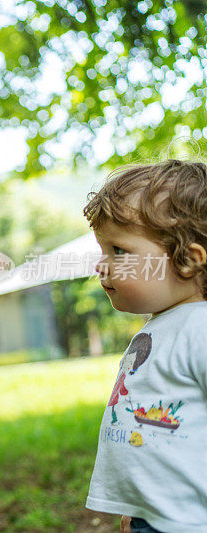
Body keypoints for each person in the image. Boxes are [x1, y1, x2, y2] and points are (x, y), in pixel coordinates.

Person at [83, 159, 207, 532]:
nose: (101, 266)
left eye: (118, 251)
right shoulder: (164, 325)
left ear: (188, 259)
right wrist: (142, 507)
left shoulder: (200, 329)